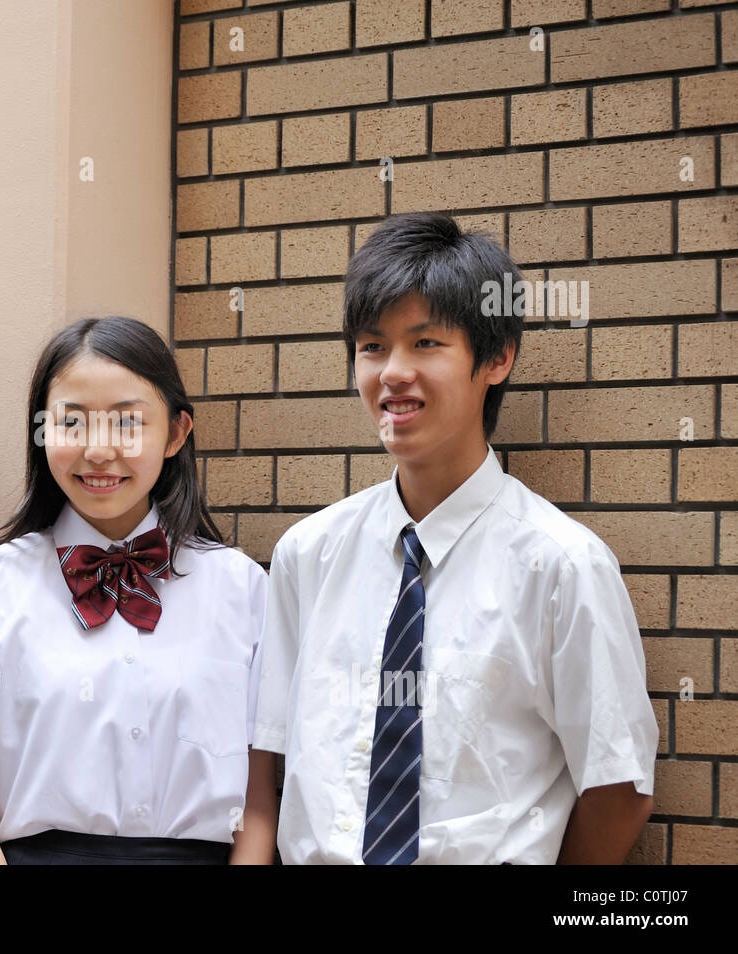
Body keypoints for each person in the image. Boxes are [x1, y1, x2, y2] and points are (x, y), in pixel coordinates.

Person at [253, 211, 658, 864]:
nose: (392, 373)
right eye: (373, 346)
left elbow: (618, 785)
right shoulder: (308, 556)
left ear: (497, 357)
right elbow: (269, 763)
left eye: (426, 344)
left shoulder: (562, 566)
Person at [0, 316, 277, 864]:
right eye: (71, 422)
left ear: (176, 434)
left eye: (127, 423)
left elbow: (259, 807)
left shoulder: (243, 588)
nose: (98, 450)